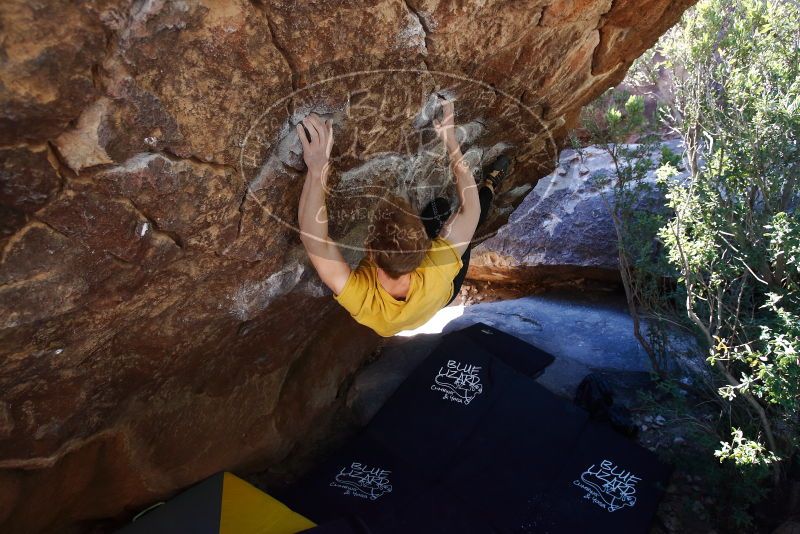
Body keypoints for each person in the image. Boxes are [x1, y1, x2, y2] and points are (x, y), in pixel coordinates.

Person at [296, 98, 509, 337]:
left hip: (427, 304)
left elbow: (312, 238)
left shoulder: (365, 300)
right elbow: (471, 209)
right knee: (450, 213)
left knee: (451, 216)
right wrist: (450, 140)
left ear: (370, 253)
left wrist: (317, 169)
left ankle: (488, 188)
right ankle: (489, 186)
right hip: (444, 291)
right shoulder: (437, 267)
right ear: (425, 248)